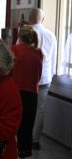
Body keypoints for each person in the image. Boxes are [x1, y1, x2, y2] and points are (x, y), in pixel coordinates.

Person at [11, 25, 43, 159]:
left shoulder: (14, 50)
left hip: (15, 93)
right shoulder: (39, 53)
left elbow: (7, 72)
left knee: (10, 125)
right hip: (32, 94)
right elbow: (38, 76)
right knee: (26, 129)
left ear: (20, 36)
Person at [29, 8, 57, 150]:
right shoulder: (51, 35)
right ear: (43, 19)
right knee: (40, 109)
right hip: (45, 77)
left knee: (26, 107)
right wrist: (50, 76)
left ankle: (23, 137)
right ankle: (35, 140)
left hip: (27, 77)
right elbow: (53, 59)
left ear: (29, 19)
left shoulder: (26, 33)